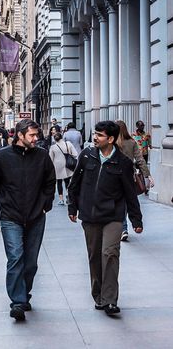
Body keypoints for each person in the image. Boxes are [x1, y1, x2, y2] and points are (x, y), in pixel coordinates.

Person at [67, 120, 143, 316]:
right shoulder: (87, 156)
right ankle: (99, 295)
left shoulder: (123, 162)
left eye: (99, 135)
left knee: (110, 254)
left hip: (113, 216)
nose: (95, 138)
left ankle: (110, 300)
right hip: (90, 216)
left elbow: (130, 193)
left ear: (110, 139)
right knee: (94, 257)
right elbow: (74, 183)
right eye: (95, 134)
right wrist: (72, 207)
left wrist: (136, 220)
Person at [0, 119, 56, 322]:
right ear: (20, 135)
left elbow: (50, 181)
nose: (36, 139)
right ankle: (17, 301)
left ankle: (24, 293)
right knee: (15, 257)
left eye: (37, 135)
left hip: (35, 215)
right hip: (10, 216)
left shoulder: (41, 156)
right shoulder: (2, 157)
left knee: (30, 262)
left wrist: (45, 204)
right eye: (32, 135)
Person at [115, 119, 154, 241]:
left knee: (117, 202)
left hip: (114, 177)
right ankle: (124, 228)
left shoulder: (112, 143)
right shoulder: (131, 142)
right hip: (129, 176)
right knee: (126, 202)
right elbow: (140, 160)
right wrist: (148, 175)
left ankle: (123, 228)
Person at [49, 132, 78, 205]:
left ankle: (61, 199)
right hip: (67, 165)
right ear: (62, 137)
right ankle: (69, 195)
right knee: (67, 181)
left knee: (59, 182)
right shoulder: (68, 144)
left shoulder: (53, 147)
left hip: (57, 166)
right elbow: (75, 154)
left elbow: (50, 159)